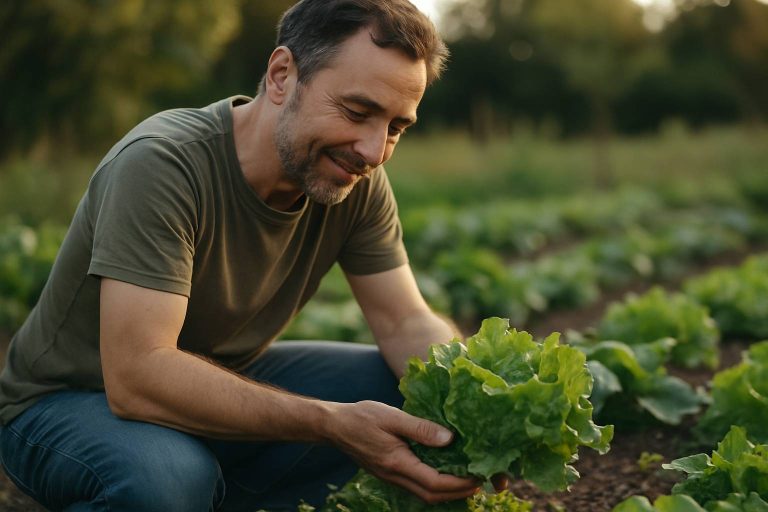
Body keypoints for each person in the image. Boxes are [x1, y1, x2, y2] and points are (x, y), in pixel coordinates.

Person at [0, 1, 487, 510]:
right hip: (68, 402)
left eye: (396, 127)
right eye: (357, 112)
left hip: (212, 378)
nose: (373, 149)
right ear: (281, 76)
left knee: (406, 390)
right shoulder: (163, 166)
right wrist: (330, 422)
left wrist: (473, 405)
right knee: (168, 480)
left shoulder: (354, 179)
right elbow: (137, 376)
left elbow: (405, 320)